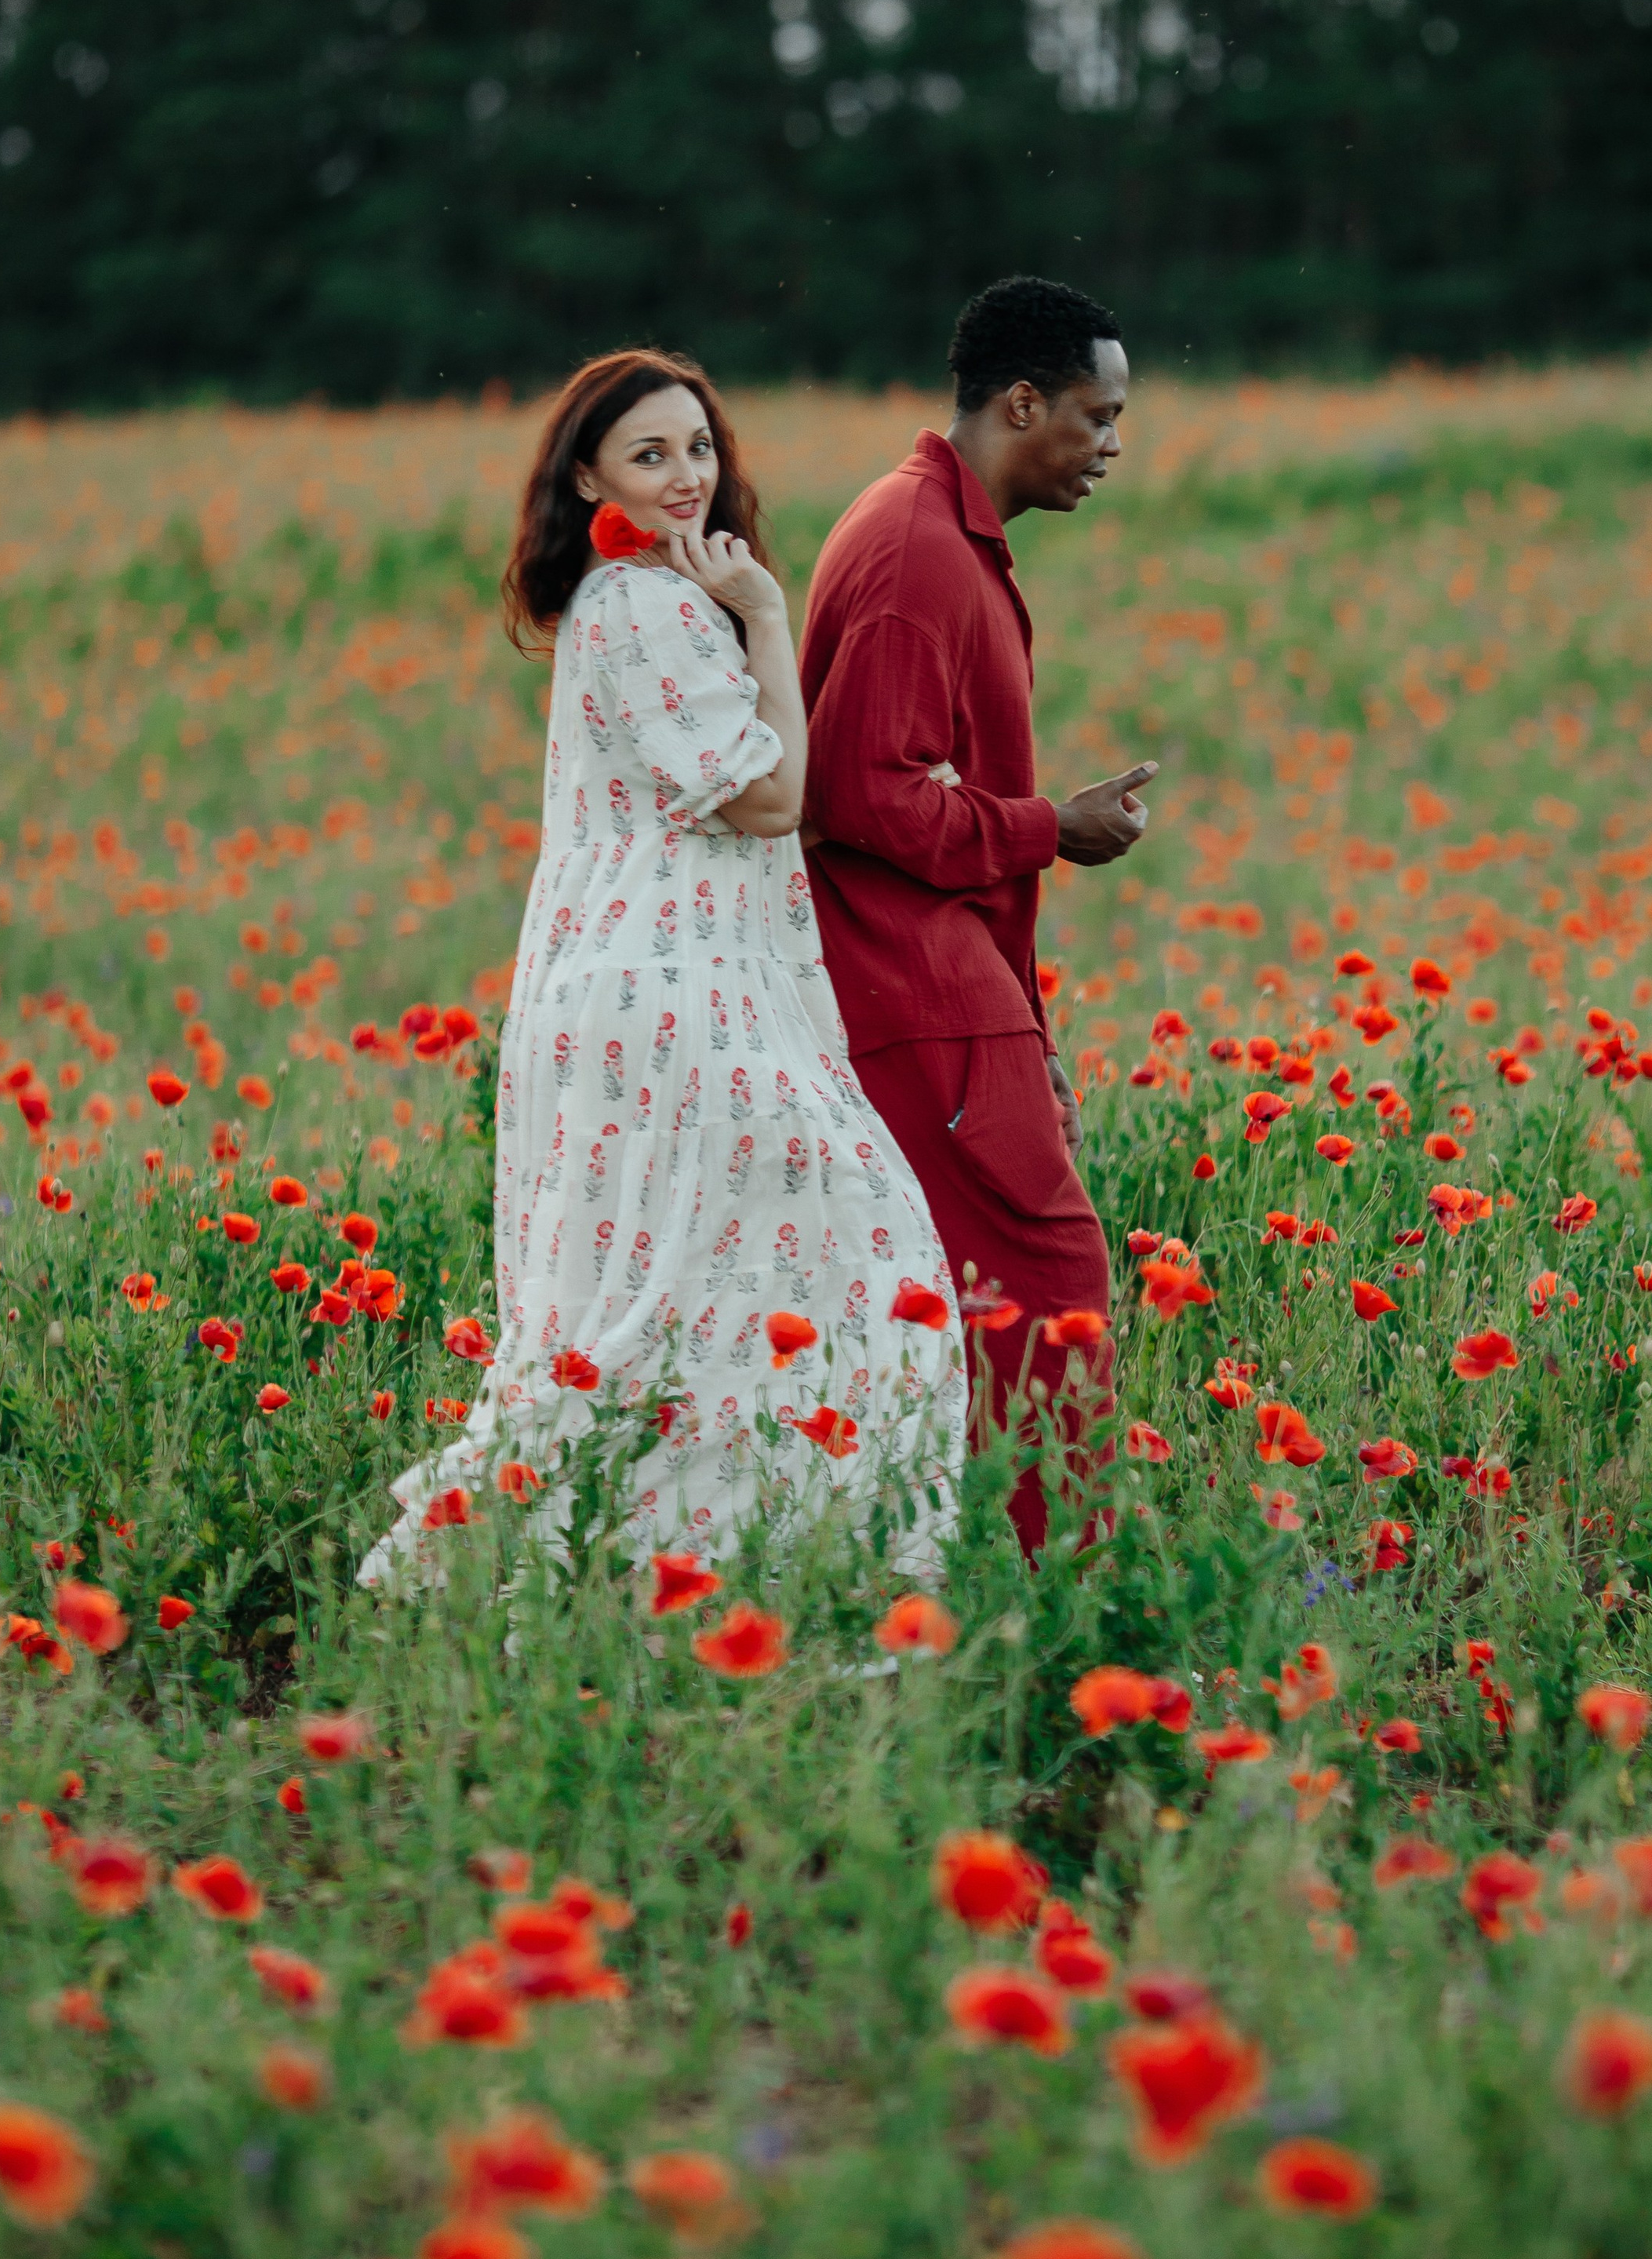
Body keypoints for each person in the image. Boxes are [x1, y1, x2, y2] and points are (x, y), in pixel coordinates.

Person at [361, 348, 963, 1583]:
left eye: (700, 447)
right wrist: (769, 616)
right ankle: (749, 1571)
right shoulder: (646, 606)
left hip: (657, 985)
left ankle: (665, 1571)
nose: (687, 476)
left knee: (681, 1296)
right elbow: (773, 798)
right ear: (588, 474)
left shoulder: (638, 598)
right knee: (846, 1254)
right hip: (674, 990)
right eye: (650, 454)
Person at [799, 275, 1153, 1554]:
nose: (1112, 448)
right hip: (914, 989)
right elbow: (856, 795)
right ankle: (1063, 1595)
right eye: (1097, 416)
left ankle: (972, 1577)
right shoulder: (915, 553)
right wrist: (1050, 826)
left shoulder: (936, 536)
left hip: (949, 989)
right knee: (1045, 1286)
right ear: (1023, 403)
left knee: (975, 1298)